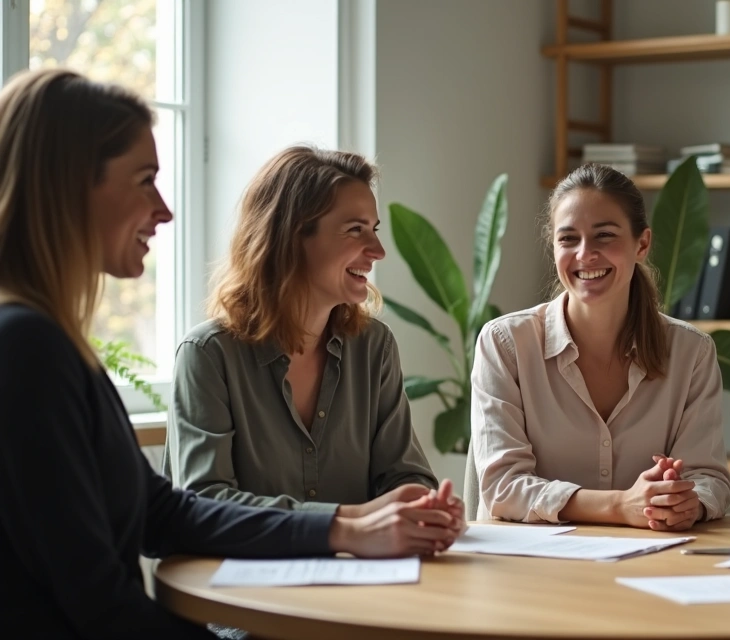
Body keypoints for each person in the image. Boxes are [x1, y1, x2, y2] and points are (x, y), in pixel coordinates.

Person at [0, 69, 462, 638]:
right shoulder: (25, 348)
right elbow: (95, 602)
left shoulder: (51, 342)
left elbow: (162, 515)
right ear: (65, 185)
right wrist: (346, 526)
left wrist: (346, 525)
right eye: (145, 179)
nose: (165, 210)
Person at [164, 145, 462, 532]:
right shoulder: (207, 355)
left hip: (361, 580)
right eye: (355, 230)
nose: (378, 251)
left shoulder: (374, 347)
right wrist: (351, 522)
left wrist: (424, 506)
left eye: (373, 229)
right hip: (240, 586)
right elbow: (205, 503)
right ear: (290, 236)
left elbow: (404, 476)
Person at [470, 163, 730, 529]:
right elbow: (503, 487)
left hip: (648, 558)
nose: (585, 254)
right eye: (568, 239)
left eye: (604, 236)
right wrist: (620, 506)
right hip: (527, 568)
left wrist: (686, 501)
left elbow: (709, 479)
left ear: (642, 244)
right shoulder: (505, 344)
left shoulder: (692, 353)